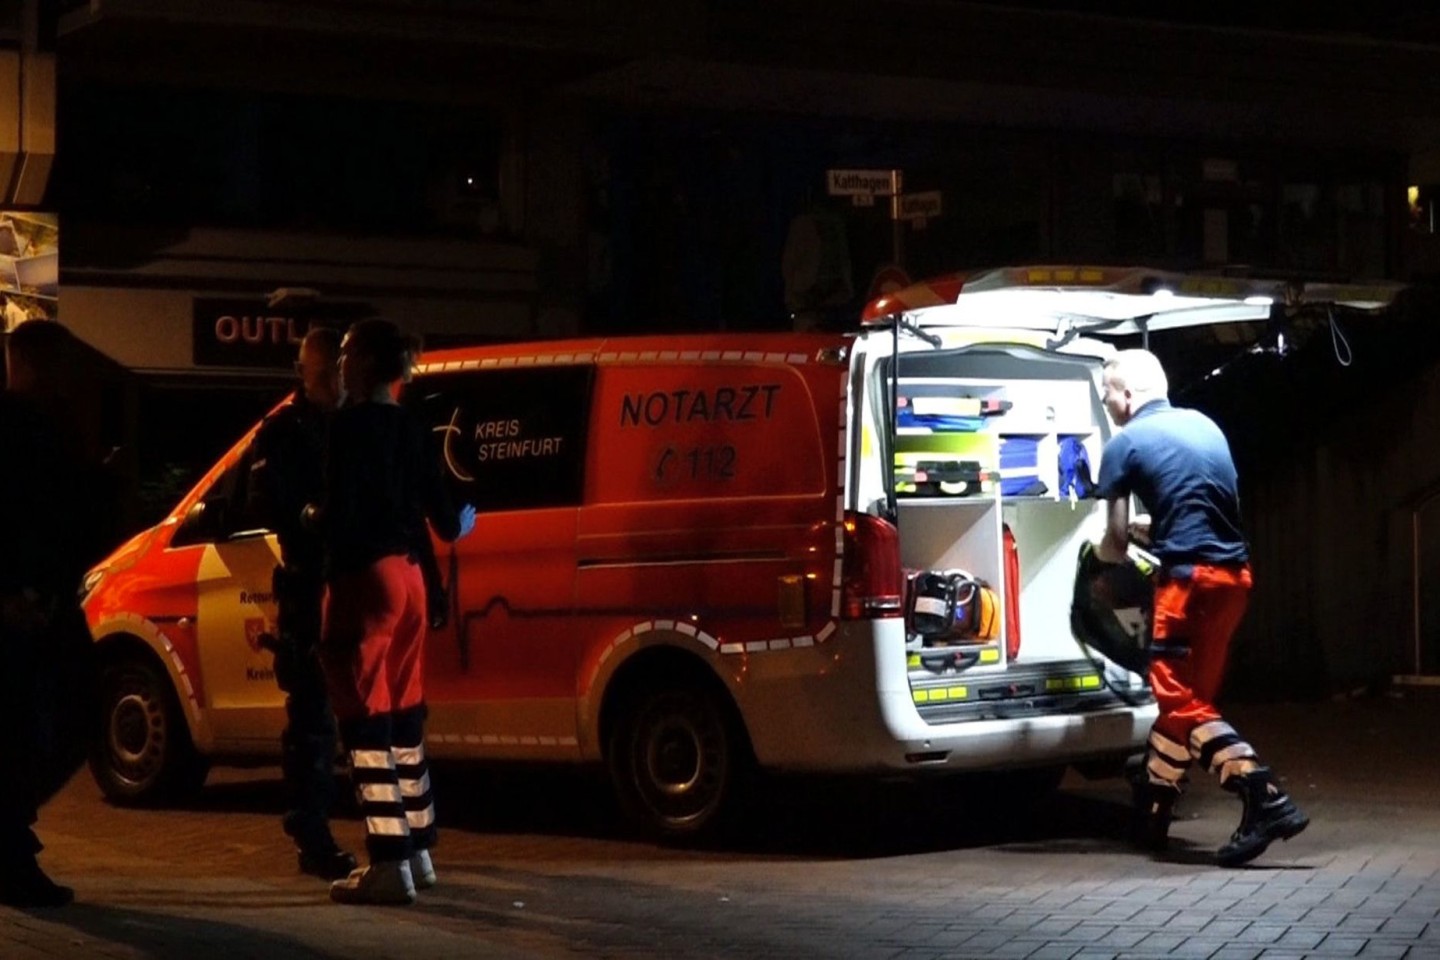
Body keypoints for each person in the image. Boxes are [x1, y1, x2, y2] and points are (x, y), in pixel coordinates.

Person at [1094, 348, 1308, 867]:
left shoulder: (1123, 444)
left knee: (1174, 695)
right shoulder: (1205, 426)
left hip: (1187, 583)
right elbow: (1201, 506)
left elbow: (1117, 543)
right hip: (1234, 580)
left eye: (1106, 399)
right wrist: (1156, 529)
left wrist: (1096, 560)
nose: (1107, 408)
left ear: (1126, 395)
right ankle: (1154, 810)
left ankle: (1263, 795)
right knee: (1189, 704)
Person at [311, 318, 475, 905]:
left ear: (367, 364)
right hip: (412, 580)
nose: (340, 362)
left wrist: (311, 520)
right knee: (405, 716)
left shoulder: (347, 427)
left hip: (365, 578)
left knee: (364, 718)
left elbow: (339, 510)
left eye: (348, 352)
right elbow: (449, 517)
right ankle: (420, 851)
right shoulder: (413, 427)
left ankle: (387, 862)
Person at [247, 326, 357, 881]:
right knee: (312, 721)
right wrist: (312, 515)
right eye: (323, 374)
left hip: (352, 584)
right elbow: (267, 501)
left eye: (338, 372)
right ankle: (311, 833)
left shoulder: (355, 423)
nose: (334, 383)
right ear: (303, 373)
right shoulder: (284, 432)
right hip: (310, 587)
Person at [0, 320, 97, 907]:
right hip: (22, 603)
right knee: (30, 725)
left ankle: (10, 833)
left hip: (47, 598)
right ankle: (11, 844)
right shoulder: (27, 428)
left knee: (66, 717)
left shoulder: (55, 426)